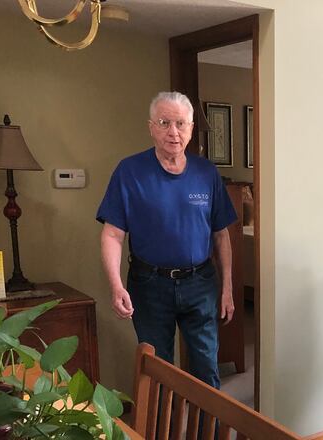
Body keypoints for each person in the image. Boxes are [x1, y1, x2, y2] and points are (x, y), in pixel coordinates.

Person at [97, 91, 237, 390]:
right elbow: (112, 234)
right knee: (157, 370)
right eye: (164, 122)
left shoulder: (206, 173)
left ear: (190, 128)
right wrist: (116, 285)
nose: (173, 132)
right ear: (151, 127)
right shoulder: (129, 171)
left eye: (180, 124)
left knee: (206, 368)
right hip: (150, 285)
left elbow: (221, 235)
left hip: (200, 283)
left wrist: (226, 288)